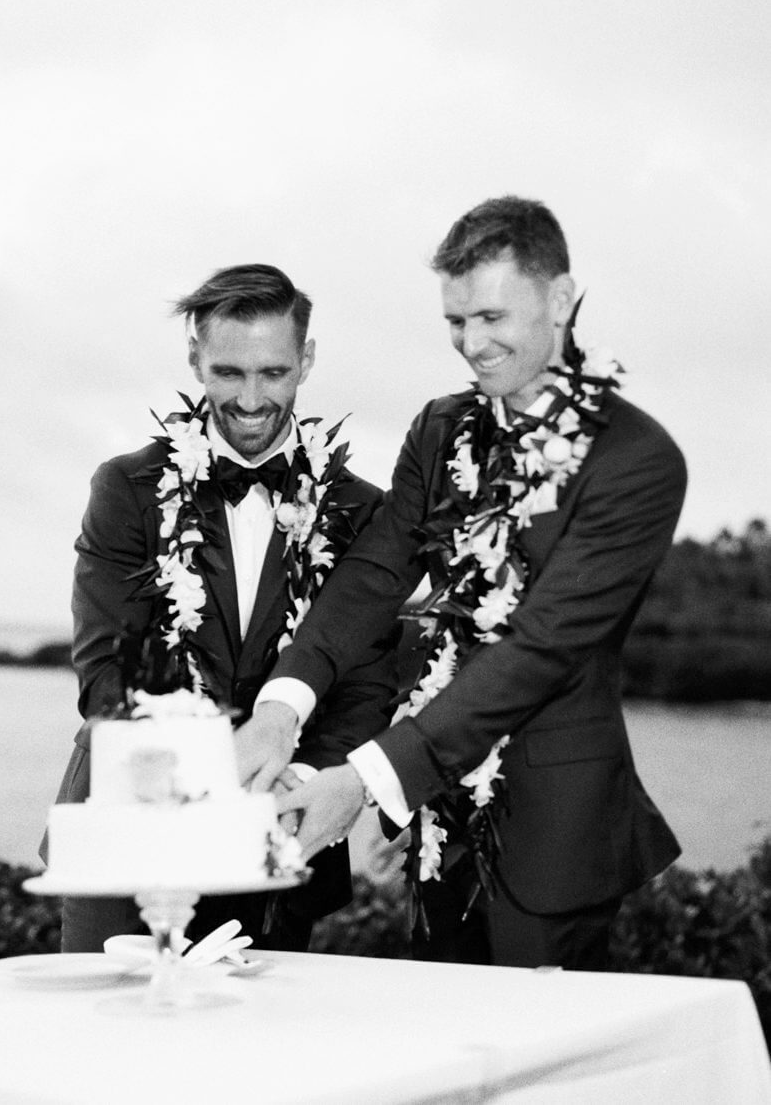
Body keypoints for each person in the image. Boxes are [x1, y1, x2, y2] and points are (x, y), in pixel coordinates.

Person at [237, 197, 687, 971]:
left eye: (490, 317)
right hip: (440, 829)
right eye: (455, 321)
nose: (471, 345)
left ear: (560, 298)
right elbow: (372, 578)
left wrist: (368, 780)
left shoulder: (637, 461)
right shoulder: (441, 429)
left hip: (555, 843)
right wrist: (282, 708)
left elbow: (540, 650)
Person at [49, 262, 397, 953]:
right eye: (228, 372)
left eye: (273, 372)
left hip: (283, 848)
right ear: (194, 358)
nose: (249, 398)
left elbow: (365, 684)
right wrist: (210, 784)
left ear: (307, 360)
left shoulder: (362, 511)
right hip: (131, 844)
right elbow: (106, 677)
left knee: (261, 1057)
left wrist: (292, 785)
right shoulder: (126, 489)